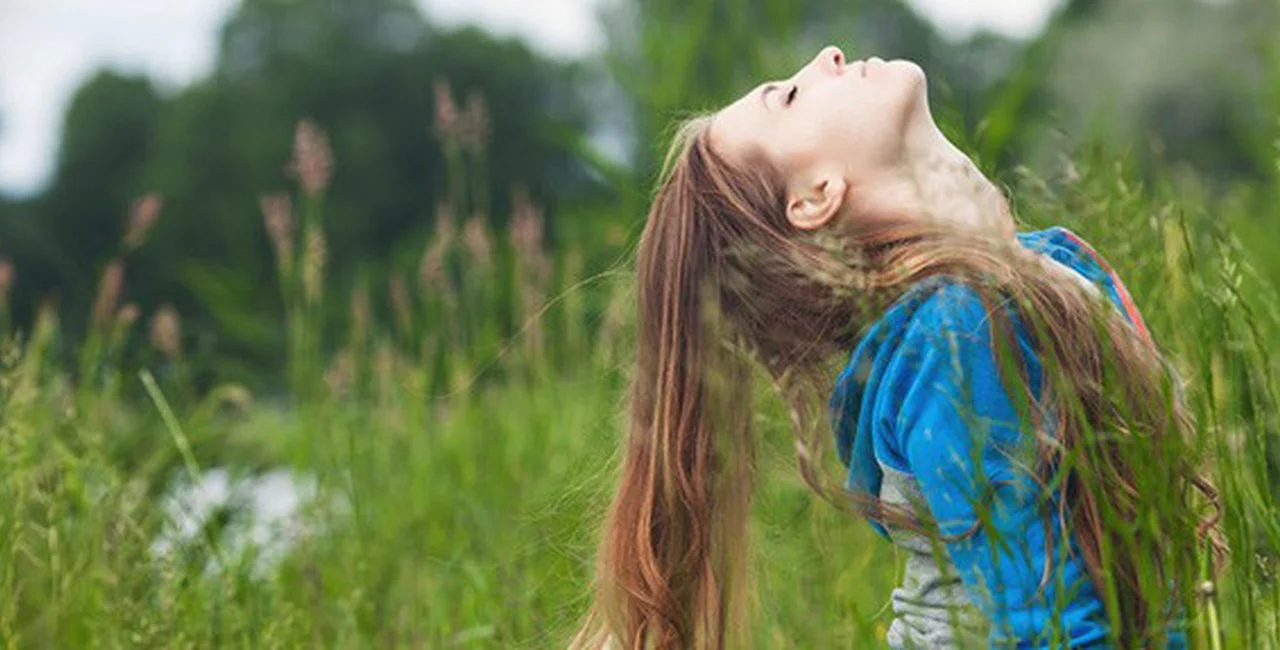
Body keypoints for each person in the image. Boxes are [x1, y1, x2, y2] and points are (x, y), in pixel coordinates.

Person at [572, 45, 1224, 649]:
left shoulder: (1028, 275)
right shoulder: (958, 333)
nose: (824, 56)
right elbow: (1042, 629)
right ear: (815, 196)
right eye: (791, 97)